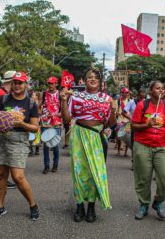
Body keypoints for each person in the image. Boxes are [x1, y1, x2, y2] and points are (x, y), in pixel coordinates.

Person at [61, 67, 117, 223]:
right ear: (84, 81)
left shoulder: (106, 99)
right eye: (89, 77)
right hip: (78, 135)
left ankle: (91, 206)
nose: (92, 79)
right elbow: (66, 119)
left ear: (100, 82)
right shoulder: (76, 97)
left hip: (97, 137)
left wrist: (113, 110)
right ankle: (79, 205)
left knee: (94, 173)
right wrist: (63, 101)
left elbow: (110, 124)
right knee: (79, 172)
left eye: (95, 78)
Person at [0, 71, 40, 220]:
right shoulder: (4, 99)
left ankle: (33, 205)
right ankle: (0, 206)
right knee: (1, 174)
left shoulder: (30, 103)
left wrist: (22, 123)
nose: (17, 85)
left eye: (20, 83)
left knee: (17, 177)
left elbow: (35, 127)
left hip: (18, 140)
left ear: (25, 85)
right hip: (1, 138)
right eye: (14, 82)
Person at [131, 80, 165, 221]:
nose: (160, 91)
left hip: (162, 146)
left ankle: (158, 201)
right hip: (142, 145)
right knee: (143, 178)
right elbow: (133, 126)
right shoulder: (142, 105)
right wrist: (147, 124)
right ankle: (144, 204)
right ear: (151, 91)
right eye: (157, 88)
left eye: (162, 89)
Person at [38, 76, 62, 174]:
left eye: (52, 83)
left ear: (56, 84)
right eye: (49, 83)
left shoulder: (60, 94)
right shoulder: (43, 94)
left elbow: (64, 109)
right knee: (46, 145)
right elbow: (39, 107)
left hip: (56, 123)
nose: (50, 85)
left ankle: (55, 164)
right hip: (45, 123)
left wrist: (58, 115)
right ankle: (46, 166)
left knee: (55, 145)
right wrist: (40, 113)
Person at [122, 89, 146, 170]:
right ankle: (134, 162)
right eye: (141, 97)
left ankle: (143, 163)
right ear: (138, 96)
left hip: (144, 127)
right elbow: (123, 112)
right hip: (134, 127)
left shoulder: (146, 103)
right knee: (134, 145)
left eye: (144, 97)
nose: (143, 99)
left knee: (143, 145)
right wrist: (131, 119)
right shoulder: (132, 102)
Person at [116, 87, 130, 156]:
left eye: (127, 92)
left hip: (127, 121)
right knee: (119, 137)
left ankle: (125, 152)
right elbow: (115, 111)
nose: (126, 94)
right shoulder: (118, 101)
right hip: (119, 120)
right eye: (125, 92)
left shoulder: (130, 101)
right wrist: (117, 113)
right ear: (122, 93)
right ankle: (118, 150)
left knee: (127, 137)